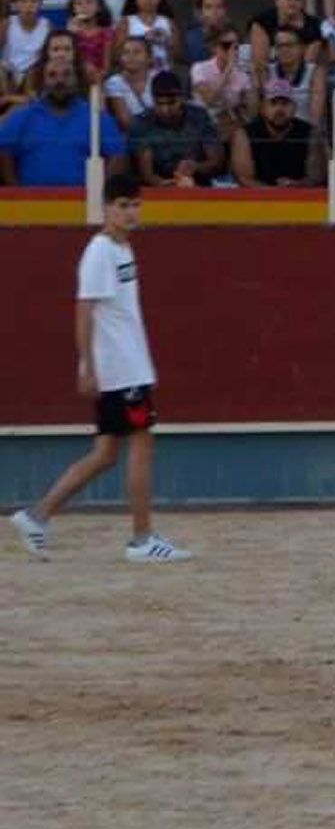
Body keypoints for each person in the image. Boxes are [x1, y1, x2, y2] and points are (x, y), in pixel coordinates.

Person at [10, 175, 190, 562]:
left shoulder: (120, 249)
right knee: (142, 444)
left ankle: (37, 516)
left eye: (134, 205)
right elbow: (84, 310)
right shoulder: (100, 252)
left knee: (107, 452)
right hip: (121, 370)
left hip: (126, 365)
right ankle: (142, 539)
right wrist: (87, 366)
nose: (129, 212)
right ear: (106, 207)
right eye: (122, 205)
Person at [0, 45, 127, 186]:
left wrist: (100, 194)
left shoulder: (96, 116)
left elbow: (118, 155)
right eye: (52, 75)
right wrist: (16, 194)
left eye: (67, 74)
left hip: (85, 203)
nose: (60, 81)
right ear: (43, 81)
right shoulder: (23, 115)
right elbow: (4, 153)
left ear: (76, 80)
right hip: (32, 204)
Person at [129, 70, 221, 186]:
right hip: (157, 188)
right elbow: (147, 175)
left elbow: (215, 162)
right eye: (159, 104)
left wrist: (196, 166)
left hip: (198, 184)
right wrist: (164, 184)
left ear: (181, 98)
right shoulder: (142, 123)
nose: (165, 110)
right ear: (152, 99)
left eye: (171, 103)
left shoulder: (199, 116)